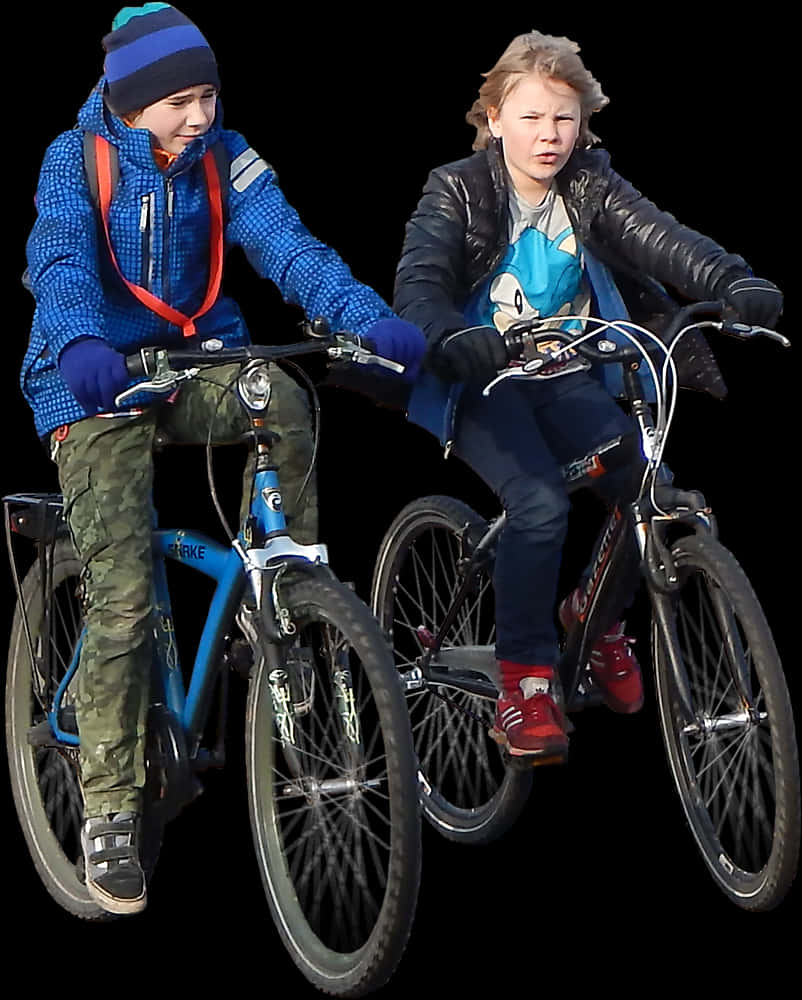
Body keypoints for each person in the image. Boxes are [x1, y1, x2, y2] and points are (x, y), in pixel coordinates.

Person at [22, 3, 424, 916]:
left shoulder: (224, 156)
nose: (200, 116)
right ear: (132, 103)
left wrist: (367, 320)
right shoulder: (71, 159)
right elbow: (57, 261)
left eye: (209, 96)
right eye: (181, 102)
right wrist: (82, 339)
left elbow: (286, 242)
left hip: (197, 363)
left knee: (283, 396)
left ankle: (286, 591)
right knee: (124, 591)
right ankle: (113, 811)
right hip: (94, 381)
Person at [394, 31, 782, 761]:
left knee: (651, 490)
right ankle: (526, 683)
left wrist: (732, 279)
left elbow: (662, 239)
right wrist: (450, 335)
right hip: (484, 381)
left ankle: (595, 617)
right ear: (495, 117)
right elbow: (419, 283)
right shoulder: (457, 187)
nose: (549, 135)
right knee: (537, 505)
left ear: (584, 124)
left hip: (570, 372)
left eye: (564, 119)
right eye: (533, 116)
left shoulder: (591, 183)